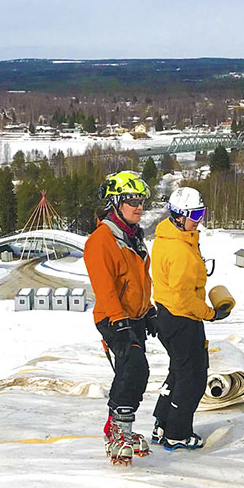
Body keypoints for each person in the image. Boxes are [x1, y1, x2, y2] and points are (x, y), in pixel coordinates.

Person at [83, 171, 157, 465]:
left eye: (140, 201)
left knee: (136, 372)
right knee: (134, 368)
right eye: (131, 201)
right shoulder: (101, 240)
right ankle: (117, 429)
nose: (138, 207)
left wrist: (147, 309)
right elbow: (104, 287)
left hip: (134, 316)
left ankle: (121, 426)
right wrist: (119, 321)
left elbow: (140, 279)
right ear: (115, 203)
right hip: (113, 317)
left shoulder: (133, 237)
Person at [150, 186, 229, 451]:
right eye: (196, 214)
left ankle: (162, 423)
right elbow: (184, 298)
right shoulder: (180, 251)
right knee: (193, 378)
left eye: (202, 213)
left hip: (168, 315)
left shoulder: (169, 237)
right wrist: (211, 314)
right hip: (182, 319)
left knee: (178, 372)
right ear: (178, 216)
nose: (200, 219)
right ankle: (177, 433)